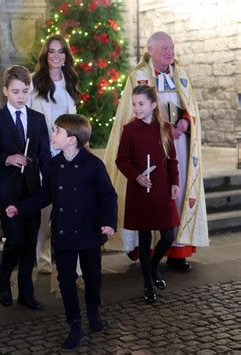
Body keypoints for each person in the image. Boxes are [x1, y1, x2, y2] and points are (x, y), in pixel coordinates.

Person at [6, 114, 117, 350]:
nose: (52, 135)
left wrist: (108, 221)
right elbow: (44, 196)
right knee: (66, 280)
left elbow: (108, 195)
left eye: (57, 131)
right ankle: (75, 324)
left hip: (89, 232)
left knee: (93, 276)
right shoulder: (53, 165)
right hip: (64, 232)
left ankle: (94, 315)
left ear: (72, 139)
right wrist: (20, 208)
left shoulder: (93, 165)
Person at [103, 31, 208, 271]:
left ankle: (177, 252)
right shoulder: (138, 76)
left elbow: (188, 108)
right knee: (149, 194)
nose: (170, 52)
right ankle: (145, 251)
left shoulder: (180, 75)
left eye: (171, 48)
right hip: (148, 146)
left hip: (177, 145)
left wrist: (183, 122)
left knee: (176, 192)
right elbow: (130, 114)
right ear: (150, 50)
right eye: (164, 48)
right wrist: (159, 130)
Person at [0, 65, 51, 310]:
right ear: (5, 91)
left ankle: (26, 291)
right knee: (15, 239)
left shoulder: (38, 119)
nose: (21, 96)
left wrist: (51, 180)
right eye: (16, 91)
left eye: (25, 91)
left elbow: (44, 155)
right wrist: (8, 158)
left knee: (30, 241)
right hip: (7, 189)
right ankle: (3, 278)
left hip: (32, 190)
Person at [116, 85, 180, 303]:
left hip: (162, 189)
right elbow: (121, 160)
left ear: (153, 105)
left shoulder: (165, 128)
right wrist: (136, 176)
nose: (136, 108)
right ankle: (147, 284)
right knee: (144, 241)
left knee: (168, 236)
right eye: (134, 104)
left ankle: (153, 267)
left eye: (141, 104)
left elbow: (172, 160)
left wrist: (175, 183)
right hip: (140, 191)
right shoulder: (129, 130)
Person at [27, 34, 80, 274]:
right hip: (43, 152)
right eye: (52, 51)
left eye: (61, 51)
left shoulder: (70, 81)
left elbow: (75, 117)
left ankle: (70, 262)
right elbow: (27, 116)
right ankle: (43, 259)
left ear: (66, 56)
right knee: (45, 209)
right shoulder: (34, 82)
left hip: (68, 151)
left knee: (69, 207)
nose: (56, 56)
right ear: (45, 56)